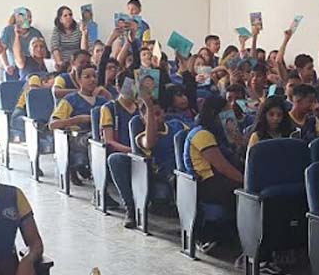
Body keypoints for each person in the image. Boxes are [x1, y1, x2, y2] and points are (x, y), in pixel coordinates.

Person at [108, 95, 187, 228]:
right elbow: (149, 143)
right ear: (143, 119)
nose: (156, 118)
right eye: (151, 115)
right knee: (115, 159)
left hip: (182, 166)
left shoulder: (176, 125)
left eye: (158, 113)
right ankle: (131, 209)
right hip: (161, 173)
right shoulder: (142, 136)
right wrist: (149, 108)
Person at [184, 96, 244, 252]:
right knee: (247, 193)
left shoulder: (220, 134)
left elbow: (233, 159)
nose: (228, 116)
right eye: (224, 112)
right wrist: (246, 181)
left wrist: (239, 144)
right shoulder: (202, 134)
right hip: (207, 183)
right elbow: (222, 167)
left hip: (221, 180)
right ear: (213, 113)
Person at [49, 64, 109, 185]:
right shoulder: (70, 100)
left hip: (100, 135)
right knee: (95, 140)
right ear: (79, 80)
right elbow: (52, 124)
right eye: (87, 77)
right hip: (78, 137)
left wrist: (107, 95)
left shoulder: (103, 101)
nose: (92, 80)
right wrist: (77, 120)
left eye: (94, 76)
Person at [1, 8, 47, 79]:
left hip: (32, 67)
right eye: (26, 17)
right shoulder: (8, 31)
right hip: (14, 67)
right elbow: (2, 50)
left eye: (30, 17)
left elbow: (44, 51)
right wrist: (6, 65)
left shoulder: (35, 32)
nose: (29, 19)